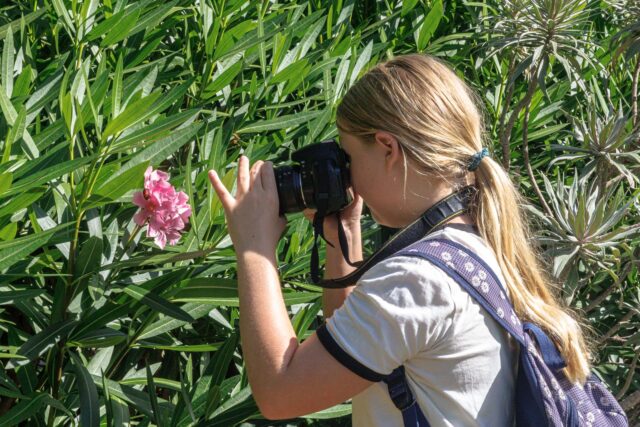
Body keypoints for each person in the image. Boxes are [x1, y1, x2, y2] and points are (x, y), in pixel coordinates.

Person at [207, 53, 592, 426]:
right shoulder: (478, 249)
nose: (348, 175)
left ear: (387, 148)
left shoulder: (417, 281)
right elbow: (348, 355)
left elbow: (280, 393)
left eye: (349, 156)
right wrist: (342, 236)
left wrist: (254, 248)